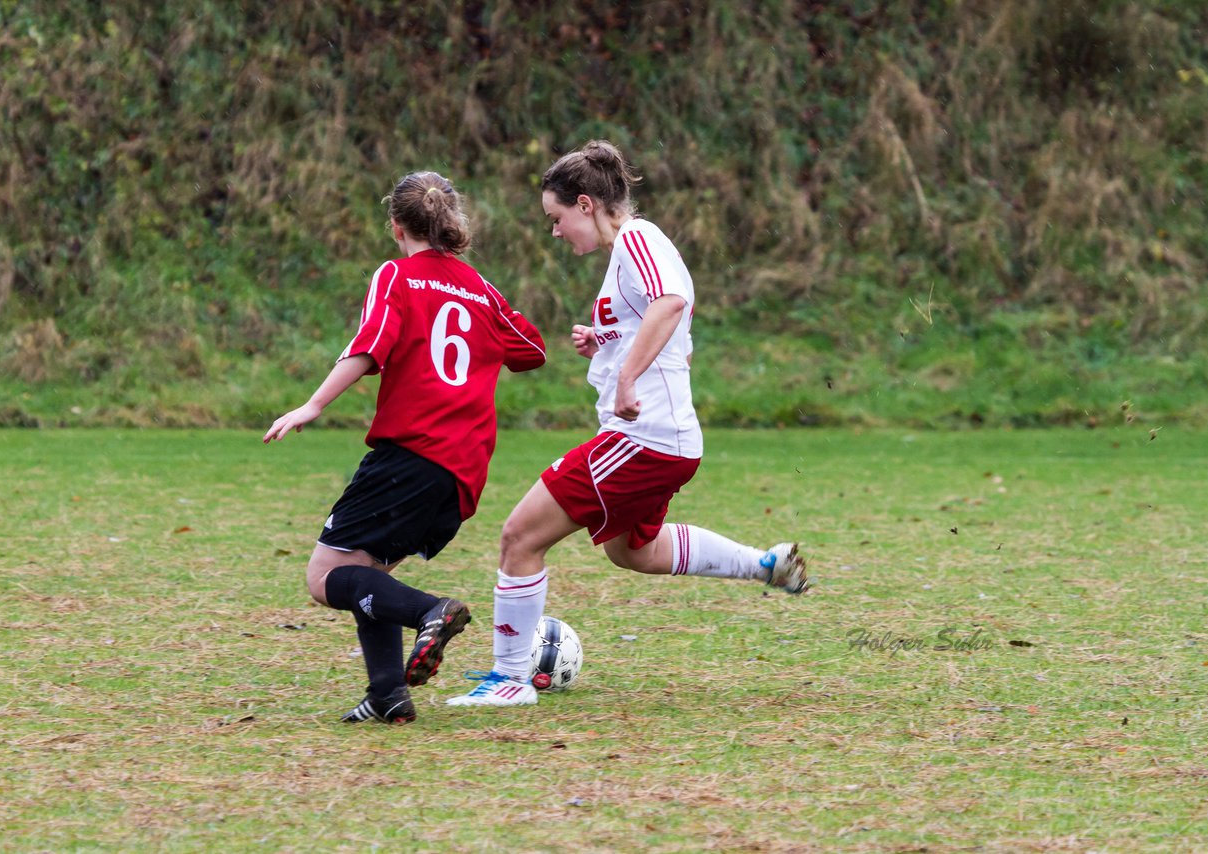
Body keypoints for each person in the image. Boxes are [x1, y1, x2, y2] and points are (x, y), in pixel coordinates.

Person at [448, 141, 806, 708]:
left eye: (557, 218)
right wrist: (605, 343)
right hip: (666, 442)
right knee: (632, 551)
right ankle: (762, 565)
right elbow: (668, 338)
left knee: (519, 535)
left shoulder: (639, 239)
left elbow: (670, 305)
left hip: (644, 438)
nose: (556, 231)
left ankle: (510, 679)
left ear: (586, 204)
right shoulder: (625, 258)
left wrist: (626, 380)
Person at [264, 171, 546, 724]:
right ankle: (388, 694)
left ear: (396, 226)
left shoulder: (396, 274)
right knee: (367, 570)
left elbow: (370, 346)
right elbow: (531, 350)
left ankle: (430, 612)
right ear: (451, 224)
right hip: (463, 472)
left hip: (411, 453)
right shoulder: (479, 287)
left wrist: (313, 405)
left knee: (325, 577)